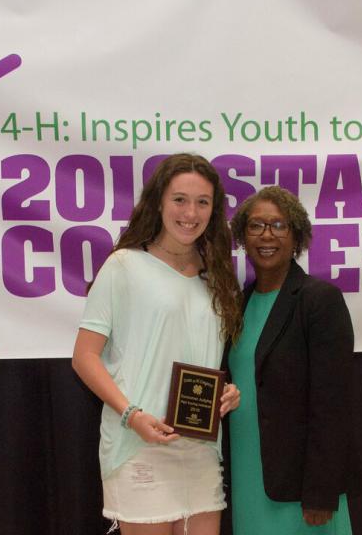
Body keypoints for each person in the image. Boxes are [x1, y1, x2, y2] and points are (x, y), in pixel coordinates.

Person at [72, 153, 244, 535]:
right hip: (139, 444)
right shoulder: (123, 267)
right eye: (179, 199)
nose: (190, 212)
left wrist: (227, 392)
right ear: (159, 202)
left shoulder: (216, 274)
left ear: (214, 211)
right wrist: (131, 415)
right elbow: (84, 357)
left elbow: (205, 355)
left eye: (203, 202)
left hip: (199, 447)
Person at [225, 186, 355, 535]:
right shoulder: (239, 304)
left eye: (279, 226)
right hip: (248, 473)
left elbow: (334, 404)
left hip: (301, 488)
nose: (267, 235)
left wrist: (321, 490)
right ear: (242, 237)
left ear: (296, 235)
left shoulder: (319, 300)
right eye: (256, 226)